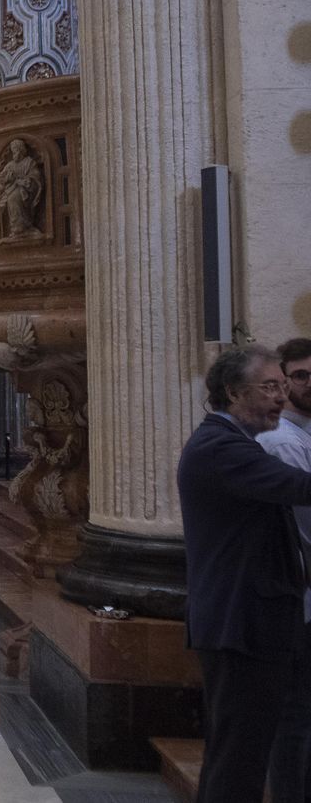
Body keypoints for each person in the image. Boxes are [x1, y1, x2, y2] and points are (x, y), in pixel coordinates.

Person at [183, 346, 311, 803]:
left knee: (236, 752)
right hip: (243, 624)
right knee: (240, 759)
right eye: (270, 387)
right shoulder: (222, 448)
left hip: (247, 620)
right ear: (234, 392)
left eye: (282, 386)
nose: (282, 397)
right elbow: (297, 486)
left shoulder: (228, 443)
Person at [259, 338, 311, 803]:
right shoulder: (283, 443)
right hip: (299, 601)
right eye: (301, 376)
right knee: (295, 718)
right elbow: (303, 529)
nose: (310, 385)